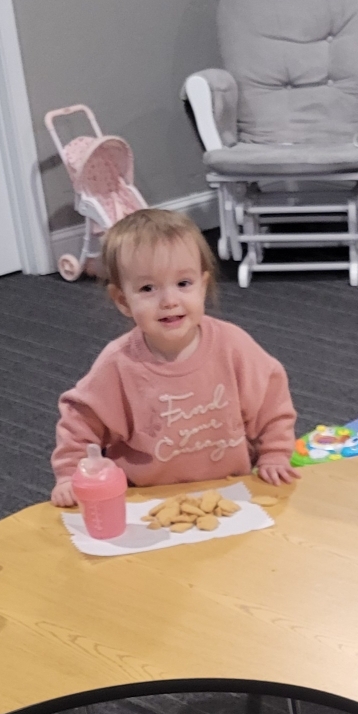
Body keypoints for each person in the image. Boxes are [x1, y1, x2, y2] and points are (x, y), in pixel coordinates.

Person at [51, 209, 298, 506]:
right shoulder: (119, 364)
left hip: (230, 493)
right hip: (146, 500)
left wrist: (275, 454)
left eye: (183, 284)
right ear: (123, 300)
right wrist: (70, 474)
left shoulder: (233, 346)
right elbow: (80, 423)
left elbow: (271, 402)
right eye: (148, 288)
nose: (169, 301)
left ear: (203, 286)